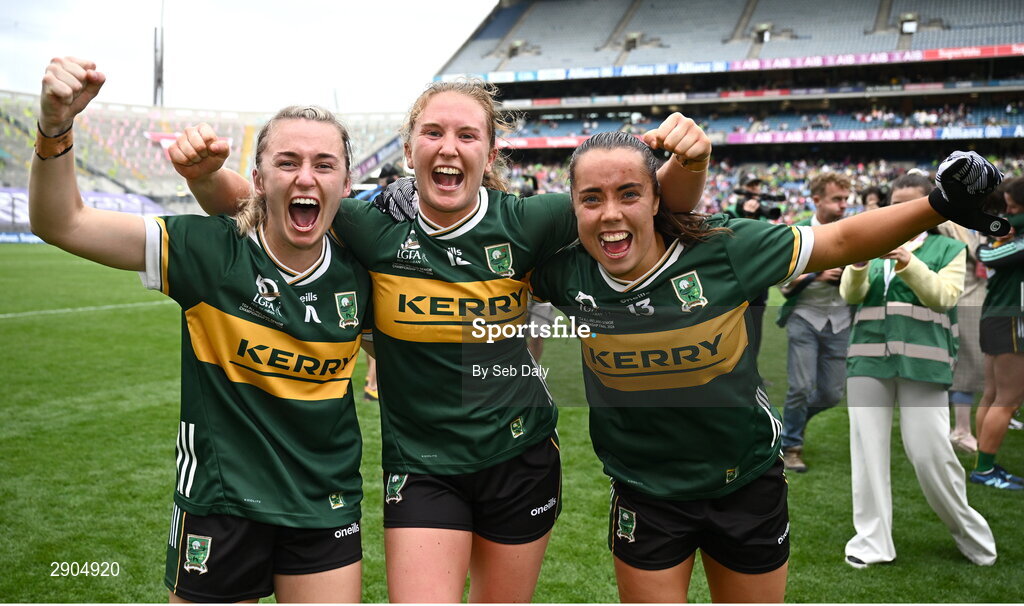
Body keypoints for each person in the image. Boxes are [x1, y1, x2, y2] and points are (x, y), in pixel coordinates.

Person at [170, 79, 710, 602]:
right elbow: (263, 198)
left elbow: (643, 203)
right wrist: (202, 179)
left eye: (467, 135)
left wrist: (690, 162)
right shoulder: (370, 226)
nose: (449, 146)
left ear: (492, 152)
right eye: (432, 132)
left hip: (519, 457)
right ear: (409, 149)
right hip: (423, 466)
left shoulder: (527, 220)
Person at [528, 132, 1004, 601]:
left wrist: (940, 204)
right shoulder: (566, 272)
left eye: (629, 193)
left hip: (746, 481)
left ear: (657, 199)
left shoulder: (725, 248)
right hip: (643, 491)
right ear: (572, 208)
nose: (611, 213)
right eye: (592, 198)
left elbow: (840, 239)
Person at [29, 57, 369, 602]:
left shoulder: (363, 269)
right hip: (219, 505)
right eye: (288, 162)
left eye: (324, 164)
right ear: (258, 181)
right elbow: (61, 222)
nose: (306, 176)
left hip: (324, 506)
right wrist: (54, 127)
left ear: (347, 183)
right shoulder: (206, 252)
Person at [839, 172, 996, 569]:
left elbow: (943, 298)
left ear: (934, 207)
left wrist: (908, 261)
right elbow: (850, 296)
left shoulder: (947, 247)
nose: (900, 211)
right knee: (866, 453)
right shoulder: (872, 240)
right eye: (895, 203)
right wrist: (858, 265)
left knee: (931, 453)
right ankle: (872, 541)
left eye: (910, 203)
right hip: (867, 357)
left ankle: (971, 533)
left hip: (925, 361)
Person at [776, 173, 853, 473]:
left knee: (832, 394)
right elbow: (782, 282)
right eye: (837, 199)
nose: (843, 206)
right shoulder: (800, 233)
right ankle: (791, 446)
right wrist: (816, 275)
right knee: (801, 387)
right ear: (817, 199)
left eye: (846, 199)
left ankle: (788, 426)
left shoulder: (854, 229)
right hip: (805, 317)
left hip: (841, 320)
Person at [971, 176, 1024, 490]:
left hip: (998, 316)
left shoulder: (1008, 230)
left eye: (1013, 205)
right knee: (1006, 399)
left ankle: (984, 463)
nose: (1008, 209)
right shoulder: (1010, 232)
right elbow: (985, 255)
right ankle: (985, 469)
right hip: (1011, 318)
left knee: (993, 396)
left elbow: (985, 251)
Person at [936, 217, 987, 454]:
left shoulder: (981, 224)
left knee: (968, 363)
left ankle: (954, 426)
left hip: (981, 298)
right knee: (968, 364)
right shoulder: (946, 224)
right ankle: (961, 430)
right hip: (961, 299)